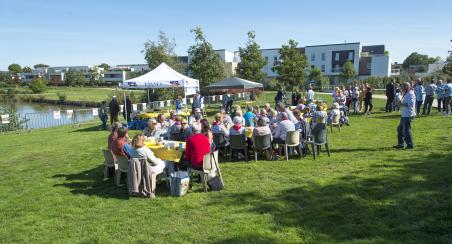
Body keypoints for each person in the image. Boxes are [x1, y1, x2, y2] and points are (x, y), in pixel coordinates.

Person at [394, 82, 416, 149]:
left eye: (403, 87)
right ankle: (401, 144)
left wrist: (401, 104)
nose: (402, 88)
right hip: (404, 114)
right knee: (400, 129)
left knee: (406, 130)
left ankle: (410, 145)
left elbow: (411, 104)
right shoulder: (406, 93)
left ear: (406, 87)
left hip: (408, 114)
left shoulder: (410, 94)